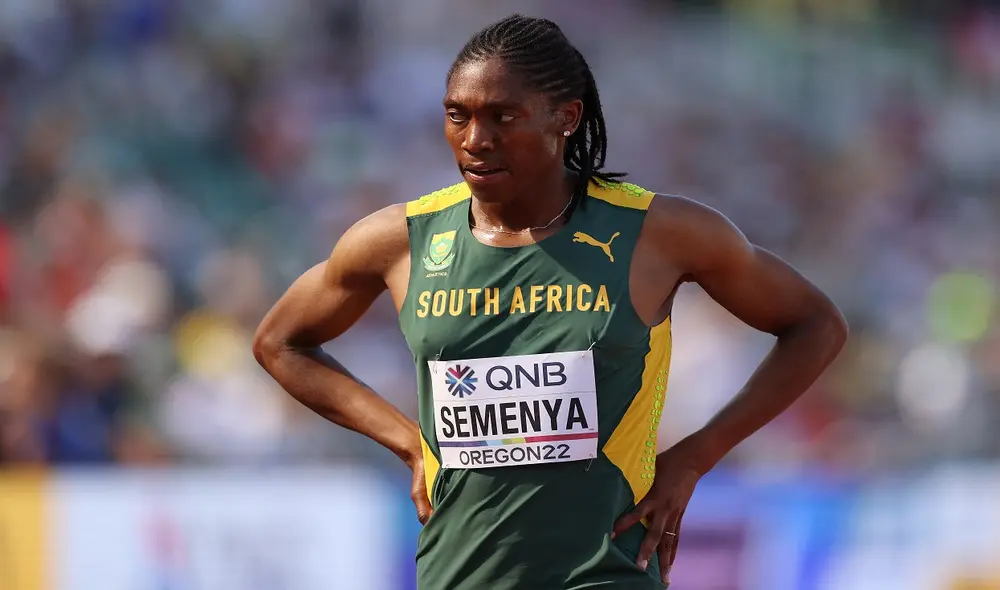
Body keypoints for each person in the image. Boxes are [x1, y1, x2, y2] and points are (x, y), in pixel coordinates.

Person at [253, 13, 848, 590]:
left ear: (566, 117)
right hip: (457, 574)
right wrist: (407, 441)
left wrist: (697, 456)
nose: (475, 140)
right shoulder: (400, 241)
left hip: (606, 573)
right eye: (457, 116)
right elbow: (281, 342)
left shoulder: (657, 232)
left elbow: (815, 324)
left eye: (503, 116)